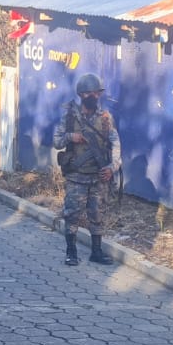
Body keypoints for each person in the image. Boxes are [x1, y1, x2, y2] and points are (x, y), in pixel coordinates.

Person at [53, 73, 120, 266]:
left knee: (97, 214)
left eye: (97, 93)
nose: (95, 97)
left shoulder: (106, 119)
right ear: (81, 94)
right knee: (72, 214)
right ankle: (71, 251)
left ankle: (96, 252)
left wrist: (111, 167)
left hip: (98, 177)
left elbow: (116, 145)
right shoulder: (68, 117)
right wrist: (70, 137)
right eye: (90, 93)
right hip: (76, 176)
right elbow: (57, 141)